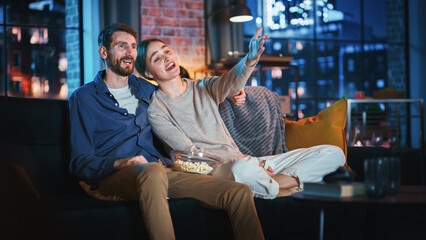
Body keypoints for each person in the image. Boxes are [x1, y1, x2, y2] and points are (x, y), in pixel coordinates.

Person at [68, 23, 265, 240]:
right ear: (104, 52)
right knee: (151, 172)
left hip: (162, 171)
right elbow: (80, 162)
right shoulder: (84, 98)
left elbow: (185, 96)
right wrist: (121, 163)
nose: (129, 53)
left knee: (238, 193)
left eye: (132, 47)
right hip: (115, 176)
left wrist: (234, 93)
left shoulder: (147, 89)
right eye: (121, 46)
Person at [138, 27, 346, 199]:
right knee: (242, 170)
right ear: (148, 73)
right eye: (157, 58)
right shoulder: (157, 110)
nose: (166, 58)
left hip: (249, 161)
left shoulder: (203, 86)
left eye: (166, 51)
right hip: (217, 170)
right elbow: (190, 151)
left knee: (333, 154)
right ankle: (286, 188)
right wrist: (242, 164)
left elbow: (229, 82)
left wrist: (250, 59)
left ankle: (275, 186)